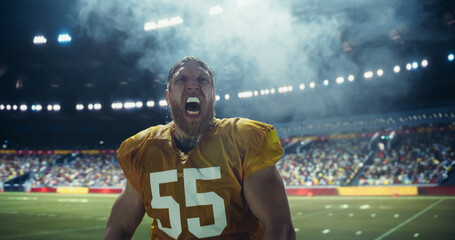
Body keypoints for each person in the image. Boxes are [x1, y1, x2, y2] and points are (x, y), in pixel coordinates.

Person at [105, 56, 295, 240]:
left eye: (202, 79)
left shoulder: (243, 140)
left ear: (213, 94)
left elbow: (280, 227)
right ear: (168, 97)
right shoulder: (144, 149)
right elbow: (120, 228)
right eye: (181, 79)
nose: (193, 85)